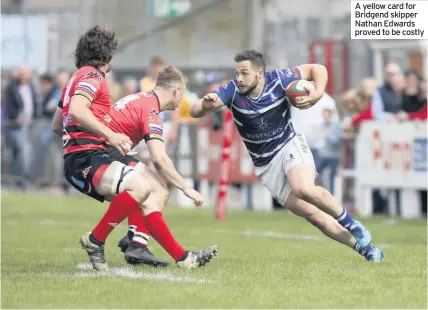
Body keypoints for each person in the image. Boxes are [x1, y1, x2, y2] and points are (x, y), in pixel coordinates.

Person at [189, 50, 384, 262]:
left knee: (304, 188)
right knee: (314, 216)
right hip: (266, 166)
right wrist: (205, 104)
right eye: (237, 73)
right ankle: (366, 250)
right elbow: (194, 110)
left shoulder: (279, 79)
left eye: (244, 73)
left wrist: (318, 93)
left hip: (289, 144)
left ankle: (353, 224)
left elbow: (316, 69)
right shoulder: (232, 90)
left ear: (260, 72)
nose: (239, 78)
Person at [51, 25, 217, 271]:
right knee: (143, 187)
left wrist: (91, 139)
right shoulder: (93, 77)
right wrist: (110, 135)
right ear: (107, 56)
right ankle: (97, 240)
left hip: (91, 152)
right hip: (89, 156)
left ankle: (176, 256)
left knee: (157, 190)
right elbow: (76, 110)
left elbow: (57, 124)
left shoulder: (77, 76)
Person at [109, 67, 206, 266]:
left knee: (153, 188)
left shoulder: (142, 98)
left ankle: (136, 241)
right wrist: (186, 187)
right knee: (159, 190)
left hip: (103, 151)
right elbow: (159, 159)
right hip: (100, 155)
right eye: (183, 95)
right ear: (176, 91)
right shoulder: (151, 110)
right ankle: (144, 246)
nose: (181, 102)